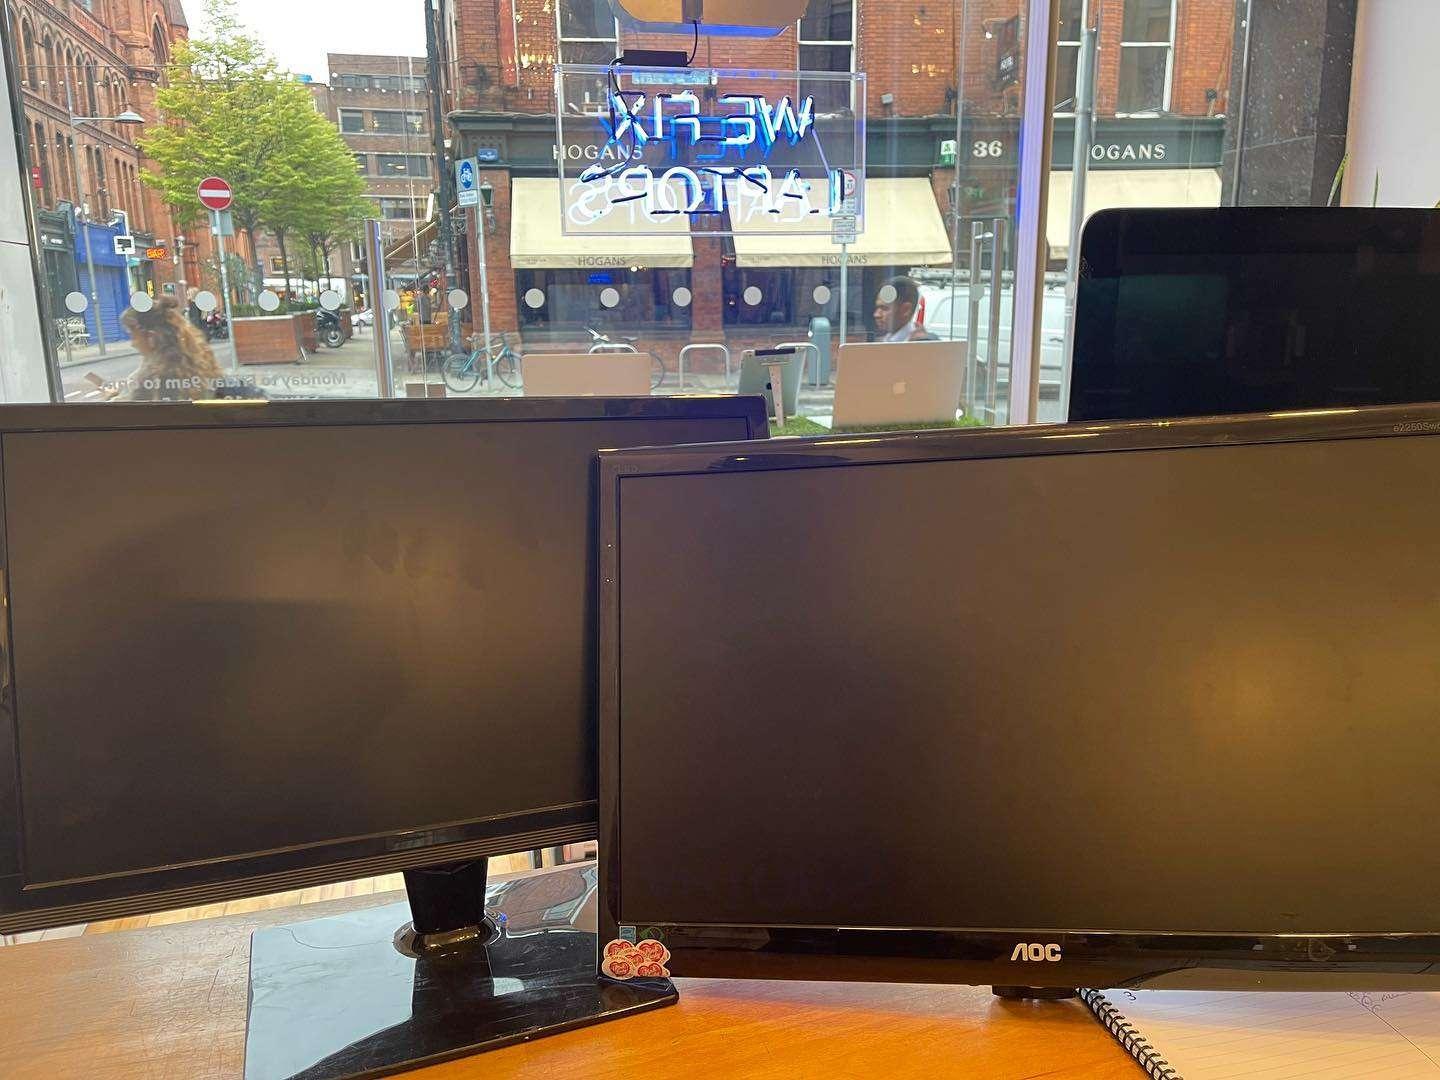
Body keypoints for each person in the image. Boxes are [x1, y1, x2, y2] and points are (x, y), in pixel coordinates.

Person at [120, 295, 259, 401]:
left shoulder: (157, 378)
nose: (132, 343)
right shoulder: (195, 361)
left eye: (133, 335)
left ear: (151, 337)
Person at [873, 276, 939, 342]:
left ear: (905, 310)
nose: (876, 315)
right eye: (877, 308)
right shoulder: (886, 340)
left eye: (884, 308)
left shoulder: (923, 345)